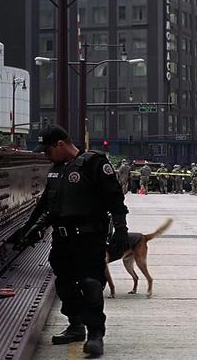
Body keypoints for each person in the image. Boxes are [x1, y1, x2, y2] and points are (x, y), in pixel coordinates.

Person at [16, 125, 128, 356]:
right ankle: (76, 325)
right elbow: (46, 204)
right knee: (64, 284)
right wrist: (29, 228)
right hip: (63, 238)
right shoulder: (57, 169)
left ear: (60, 144)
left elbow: (115, 201)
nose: (46, 156)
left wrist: (121, 231)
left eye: (47, 151)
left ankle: (96, 333)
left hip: (90, 237)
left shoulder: (94, 164)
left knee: (91, 284)